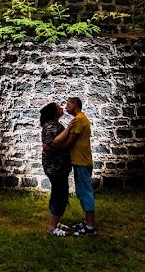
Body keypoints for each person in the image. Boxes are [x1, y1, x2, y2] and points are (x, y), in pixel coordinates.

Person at [47, 96, 96, 237]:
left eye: (68, 104)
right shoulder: (79, 119)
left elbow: (69, 143)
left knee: (85, 192)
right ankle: (87, 222)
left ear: (75, 104)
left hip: (81, 161)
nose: (66, 106)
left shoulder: (79, 119)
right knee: (82, 192)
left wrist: (53, 145)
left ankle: (90, 226)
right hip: (79, 161)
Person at [39, 102, 74, 235]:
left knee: (58, 193)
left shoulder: (54, 125)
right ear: (54, 112)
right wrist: (69, 129)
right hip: (55, 167)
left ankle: (55, 222)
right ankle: (52, 228)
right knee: (60, 195)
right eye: (59, 107)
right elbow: (52, 144)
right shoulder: (50, 126)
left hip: (59, 166)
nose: (62, 108)